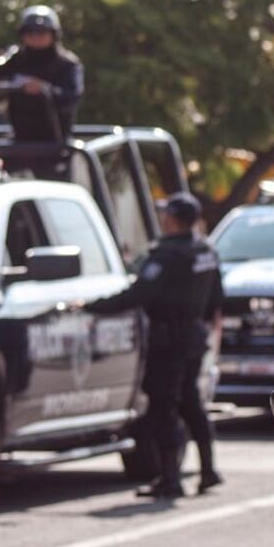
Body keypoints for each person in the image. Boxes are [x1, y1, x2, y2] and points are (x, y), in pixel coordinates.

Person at [85, 193, 224, 499]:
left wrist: (91, 306)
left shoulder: (167, 254)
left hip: (168, 341)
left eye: (165, 215)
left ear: (172, 219)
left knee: (164, 406)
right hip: (193, 336)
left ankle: (170, 479)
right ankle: (208, 470)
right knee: (191, 402)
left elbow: (139, 294)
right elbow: (216, 299)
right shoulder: (206, 251)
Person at [0, 5, 84, 143]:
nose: (35, 37)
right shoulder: (14, 60)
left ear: (54, 34)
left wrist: (44, 89)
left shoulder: (67, 64)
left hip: (56, 143)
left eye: (42, 32)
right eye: (30, 33)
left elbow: (72, 98)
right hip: (19, 141)